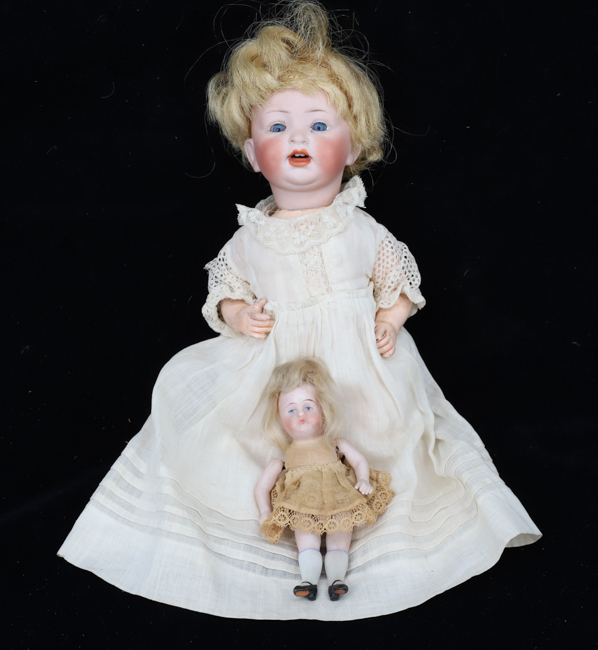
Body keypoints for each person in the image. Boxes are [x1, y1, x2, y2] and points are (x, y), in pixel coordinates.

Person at [58, 1, 541, 620]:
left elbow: (397, 279)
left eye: (318, 125)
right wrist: (238, 316)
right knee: (245, 434)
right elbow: (225, 287)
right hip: (276, 366)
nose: (298, 140)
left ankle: (365, 539)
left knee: (386, 431)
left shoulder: (359, 228)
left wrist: (390, 318)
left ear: (353, 145)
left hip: (360, 362)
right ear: (252, 153)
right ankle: (286, 542)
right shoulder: (251, 237)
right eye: (278, 128)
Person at [256, 357, 394, 601]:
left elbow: (359, 461)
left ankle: (337, 579)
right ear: (279, 419)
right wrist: (264, 511)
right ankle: (308, 580)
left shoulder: (335, 443)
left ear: (324, 408)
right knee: (306, 538)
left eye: (309, 407)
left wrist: (363, 479)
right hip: (302, 503)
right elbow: (262, 487)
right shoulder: (282, 460)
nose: (301, 415)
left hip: (339, 497)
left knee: (340, 534)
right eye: (291, 410)